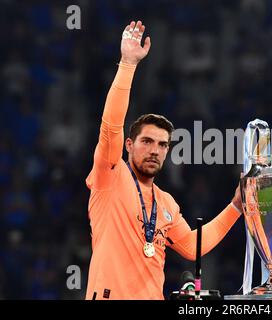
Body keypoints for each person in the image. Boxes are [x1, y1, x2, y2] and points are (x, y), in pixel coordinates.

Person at [85, 20, 243, 300]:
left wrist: (236, 206)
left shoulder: (166, 203)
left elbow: (195, 245)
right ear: (129, 145)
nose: (155, 150)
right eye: (147, 142)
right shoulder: (111, 175)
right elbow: (111, 126)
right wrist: (128, 64)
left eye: (162, 145)